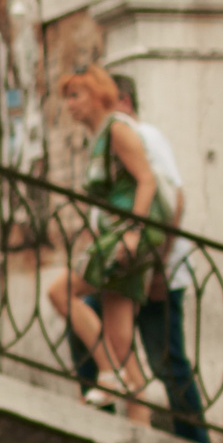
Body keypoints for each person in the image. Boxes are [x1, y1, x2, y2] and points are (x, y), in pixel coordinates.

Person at [82, 76, 210, 443]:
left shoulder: (143, 135)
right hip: (123, 263)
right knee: (91, 332)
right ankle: (122, 413)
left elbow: (174, 198)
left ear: (120, 100)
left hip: (154, 268)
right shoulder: (110, 137)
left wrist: (159, 266)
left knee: (167, 361)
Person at [43, 67, 170, 421]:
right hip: (116, 234)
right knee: (121, 344)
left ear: (98, 94)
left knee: (60, 292)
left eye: (76, 95)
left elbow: (146, 180)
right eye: (67, 96)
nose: (70, 105)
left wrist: (133, 231)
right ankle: (139, 438)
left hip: (127, 236)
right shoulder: (102, 133)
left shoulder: (116, 128)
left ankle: (109, 374)